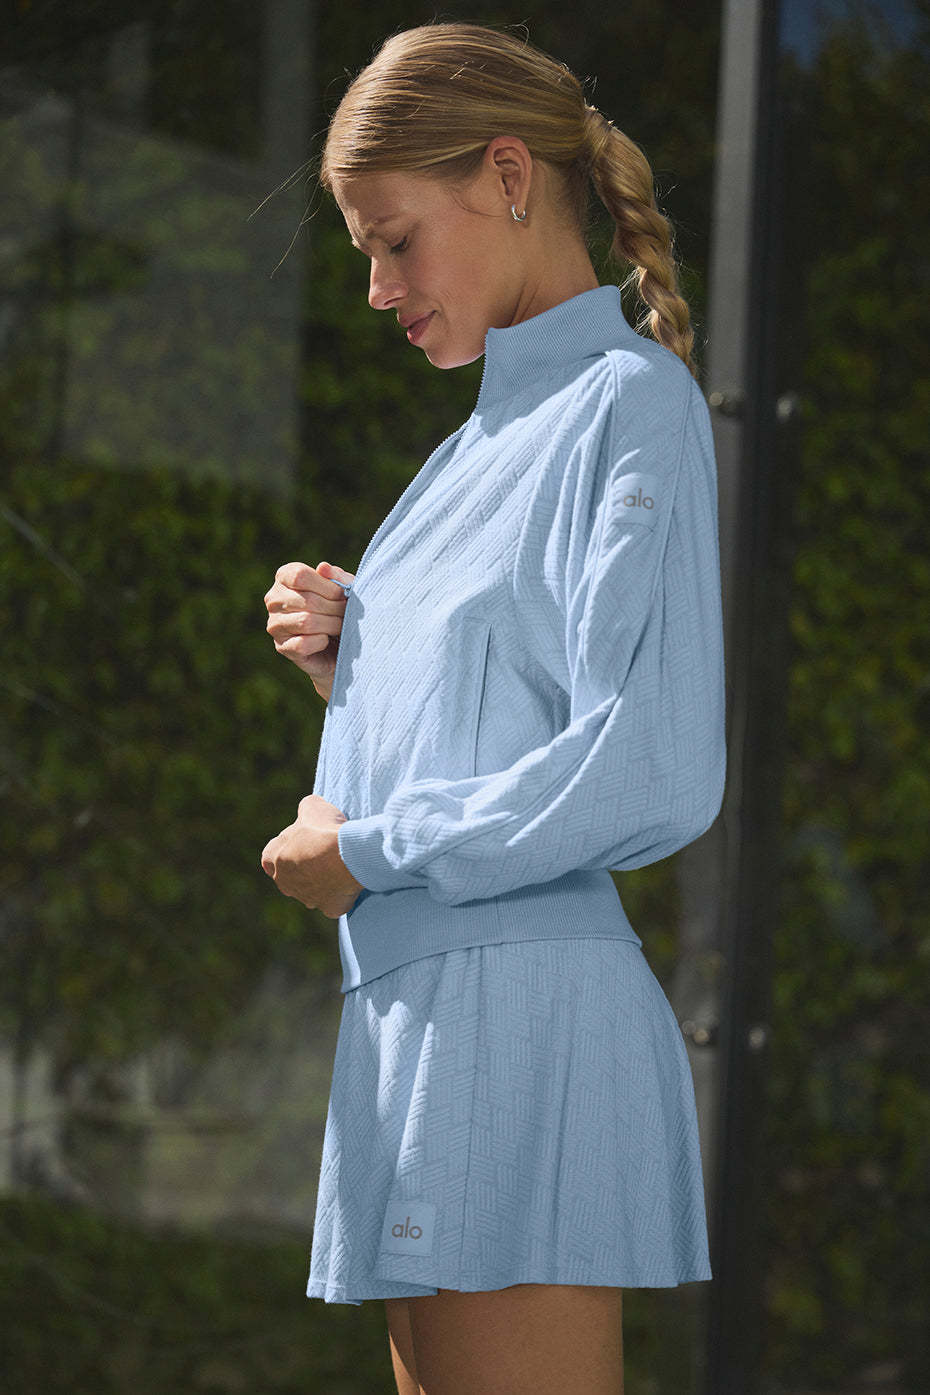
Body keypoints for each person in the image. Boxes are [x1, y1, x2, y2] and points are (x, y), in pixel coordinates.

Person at [260, 21, 726, 1395]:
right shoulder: (462, 457)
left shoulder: (627, 402)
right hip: (420, 1016)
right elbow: (512, 715)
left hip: (511, 1016)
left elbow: (649, 761)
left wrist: (366, 849)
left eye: (395, 241)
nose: (376, 289)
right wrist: (358, 668)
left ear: (509, 177)